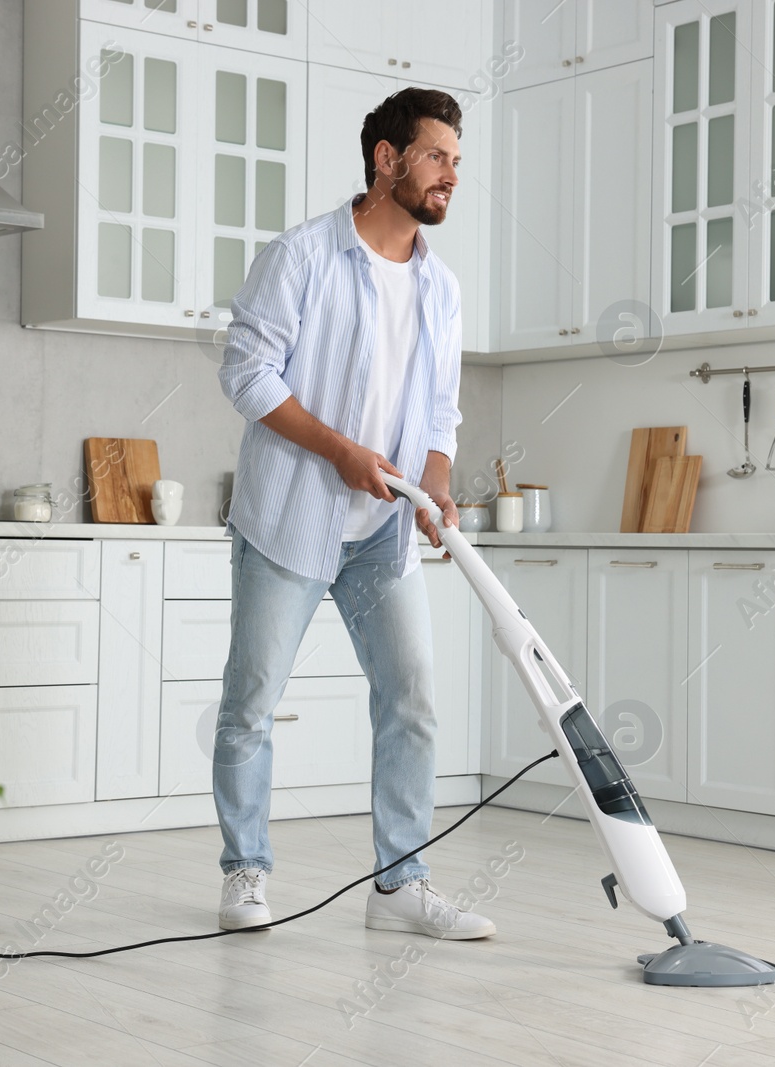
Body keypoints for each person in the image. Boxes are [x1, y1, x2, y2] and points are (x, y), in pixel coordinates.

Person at [211, 88, 493, 940]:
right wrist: (338, 450)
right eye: (437, 156)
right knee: (252, 703)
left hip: (383, 534)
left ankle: (400, 886)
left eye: (455, 161)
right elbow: (248, 374)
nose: (451, 175)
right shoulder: (301, 256)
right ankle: (245, 870)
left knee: (410, 699)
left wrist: (436, 482)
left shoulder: (440, 288)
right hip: (291, 518)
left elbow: (441, 411)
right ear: (387, 159)